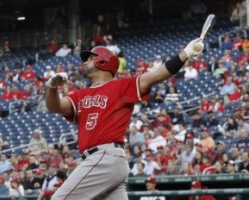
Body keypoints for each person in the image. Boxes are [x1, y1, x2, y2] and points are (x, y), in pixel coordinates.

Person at [45, 38, 204, 199]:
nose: (85, 62)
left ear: (102, 61)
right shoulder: (79, 95)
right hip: (105, 161)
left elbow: (156, 75)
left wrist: (186, 54)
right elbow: (54, 107)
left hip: (105, 156)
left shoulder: (120, 86)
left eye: (90, 58)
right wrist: (51, 87)